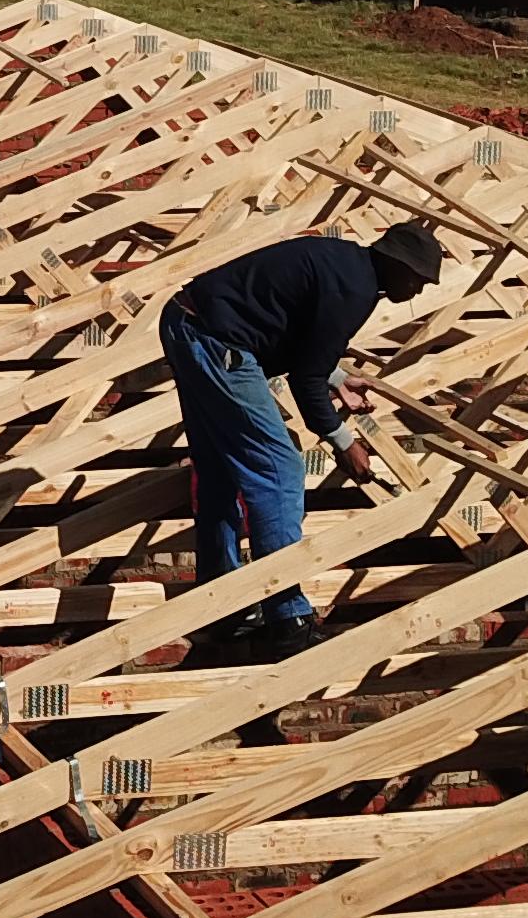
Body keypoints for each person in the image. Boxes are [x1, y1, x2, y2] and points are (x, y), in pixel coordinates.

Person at [161, 222, 442, 654]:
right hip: (216, 341)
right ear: (397, 263)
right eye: (418, 279)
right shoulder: (354, 289)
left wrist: (336, 377)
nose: (418, 290)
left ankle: (222, 606)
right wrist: (343, 441)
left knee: (220, 471)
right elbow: (305, 381)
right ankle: (287, 617)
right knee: (280, 470)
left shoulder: (344, 264)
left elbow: (294, 336)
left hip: (188, 323)